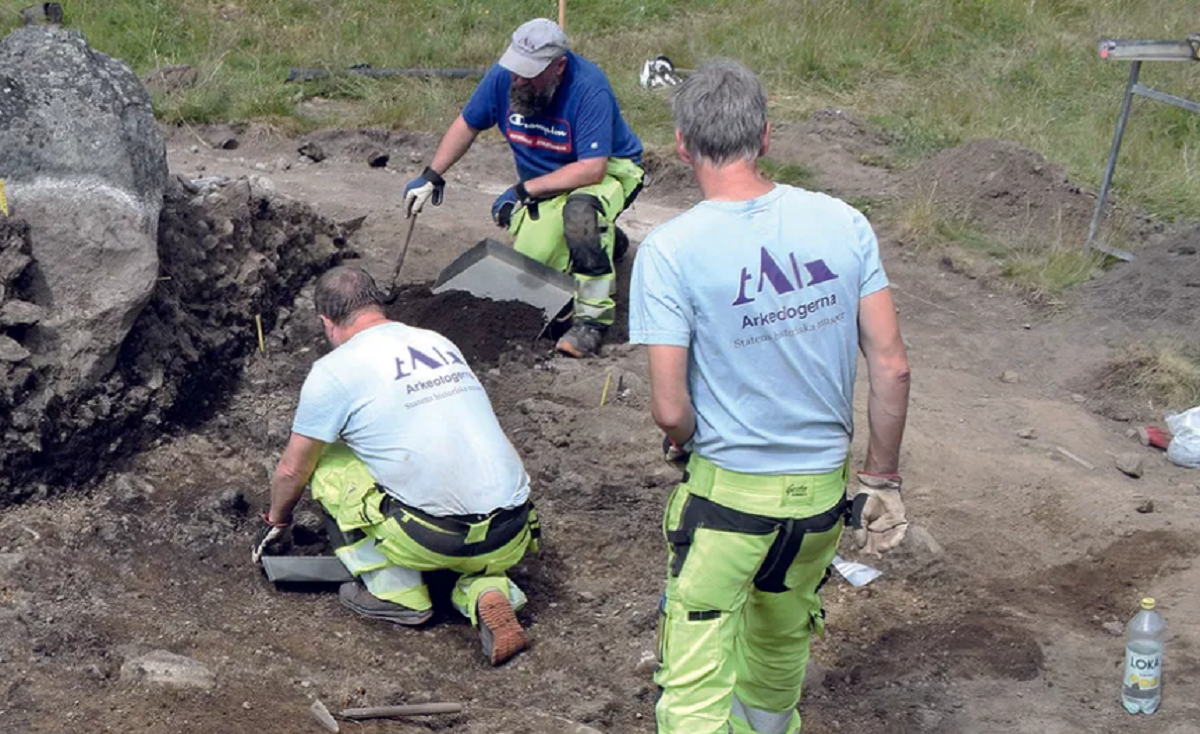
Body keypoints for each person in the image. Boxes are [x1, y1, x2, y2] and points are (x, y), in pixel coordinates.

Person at [628, 60, 912, 734]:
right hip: (817, 505)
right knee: (780, 643)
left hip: (728, 505)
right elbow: (893, 367)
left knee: (696, 674)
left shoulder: (671, 252)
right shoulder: (843, 223)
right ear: (765, 135)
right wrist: (882, 480)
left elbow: (669, 410)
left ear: (680, 143)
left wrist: (686, 436)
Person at [252, 265, 539, 666]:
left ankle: (397, 591)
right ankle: (487, 589)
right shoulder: (436, 341)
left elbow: (291, 470)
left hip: (433, 537)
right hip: (512, 529)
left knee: (326, 458)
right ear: (377, 304)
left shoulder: (334, 371)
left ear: (326, 321)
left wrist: (277, 520)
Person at [403, 18, 644, 358]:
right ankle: (607, 241)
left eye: (528, 73)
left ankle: (592, 320)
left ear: (559, 66)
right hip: (549, 181)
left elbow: (592, 169)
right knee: (534, 271)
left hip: (609, 170)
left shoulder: (590, 88)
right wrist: (432, 174)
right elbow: (467, 123)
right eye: (515, 69)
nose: (517, 79)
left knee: (580, 213)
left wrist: (523, 190)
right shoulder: (505, 77)